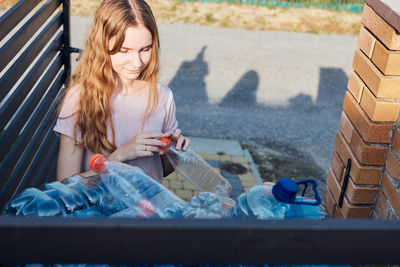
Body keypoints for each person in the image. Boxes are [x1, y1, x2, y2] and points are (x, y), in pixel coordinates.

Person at [54, 0, 190, 182]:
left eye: (145, 49)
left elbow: (162, 170)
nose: (137, 63)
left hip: (147, 209)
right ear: (102, 45)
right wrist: (118, 157)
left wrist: (172, 151)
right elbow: (65, 187)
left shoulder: (163, 96)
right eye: (124, 50)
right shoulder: (80, 98)